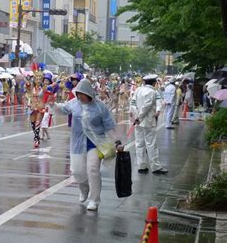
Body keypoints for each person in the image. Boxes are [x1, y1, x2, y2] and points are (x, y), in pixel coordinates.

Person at [57, 79, 124, 211]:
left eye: (81, 93)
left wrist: (117, 142)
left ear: (88, 93)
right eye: (78, 94)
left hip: (95, 143)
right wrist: (52, 105)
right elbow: (63, 109)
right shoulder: (74, 104)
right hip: (77, 143)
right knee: (77, 171)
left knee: (93, 170)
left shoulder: (100, 107)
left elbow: (109, 126)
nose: (79, 96)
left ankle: (94, 200)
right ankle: (84, 188)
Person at [130, 74, 168, 174]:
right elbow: (146, 106)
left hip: (138, 122)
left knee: (139, 144)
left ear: (144, 82)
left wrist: (136, 116)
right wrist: (139, 117)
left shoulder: (138, 90)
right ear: (154, 83)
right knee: (151, 144)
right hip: (148, 122)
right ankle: (155, 167)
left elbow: (132, 103)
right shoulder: (153, 92)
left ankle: (141, 166)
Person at [25, 63, 46, 148]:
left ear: (41, 79)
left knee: (37, 123)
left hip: (40, 107)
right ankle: (37, 137)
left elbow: (51, 87)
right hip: (33, 107)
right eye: (36, 78)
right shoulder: (32, 88)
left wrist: (58, 79)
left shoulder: (43, 88)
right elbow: (27, 92)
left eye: (39, 78)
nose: (38, 79)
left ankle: (36, 140)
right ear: (34, 78)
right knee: (33, 124)